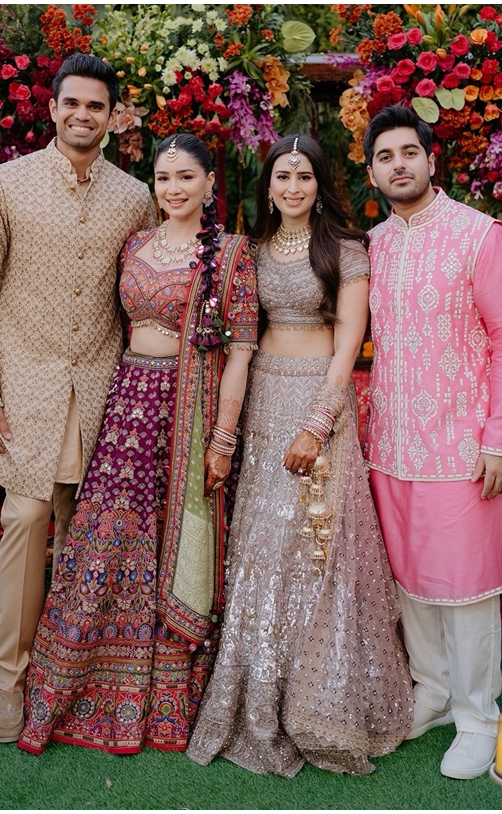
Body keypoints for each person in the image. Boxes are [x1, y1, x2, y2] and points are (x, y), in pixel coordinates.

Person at [18, 134, 258, 754]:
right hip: (127, 406)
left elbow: (240, 352)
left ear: (209, 183)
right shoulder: (135, 244)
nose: (173, 189)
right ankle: (83, 682)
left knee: (177, 541)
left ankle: (166, 696)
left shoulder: (232, 255)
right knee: (107, 536)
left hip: (187, 413)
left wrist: (223, 437)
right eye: (163, 178)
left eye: (186, 177)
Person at [187, 135, 413, 776]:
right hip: (263, 401)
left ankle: (324, 701)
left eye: (304, 176)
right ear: (268, 187)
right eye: (282, 176)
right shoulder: (249, 251)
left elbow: (349, 344)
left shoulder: (345, 250)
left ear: (320, 185)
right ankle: (261, 695)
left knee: (317, 546)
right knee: (262, 547)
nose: (293, 187)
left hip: (319, 401)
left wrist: (318, 423)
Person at [0, 53, 157, 743]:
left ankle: (68, 675)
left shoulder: (134, 197)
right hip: (25, 387)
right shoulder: (6, 184)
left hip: (102, 385)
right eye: (72, 102)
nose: (82, 115)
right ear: (52, 108)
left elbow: (142, 291)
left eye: (96, 106)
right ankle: (11, 679)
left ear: (112, 116)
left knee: (84, 529)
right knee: (27, 517)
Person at [362, 105, 502, 778]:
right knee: (410, 584)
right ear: (372, 173)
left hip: (464, 447)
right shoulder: (372, 245)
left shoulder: (481, 236)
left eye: (409, 152)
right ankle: (431, 693)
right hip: (390, 444)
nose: (398, 164)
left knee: (465, 589)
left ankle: (477, 716)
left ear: (431, 161)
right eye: (385, 157)